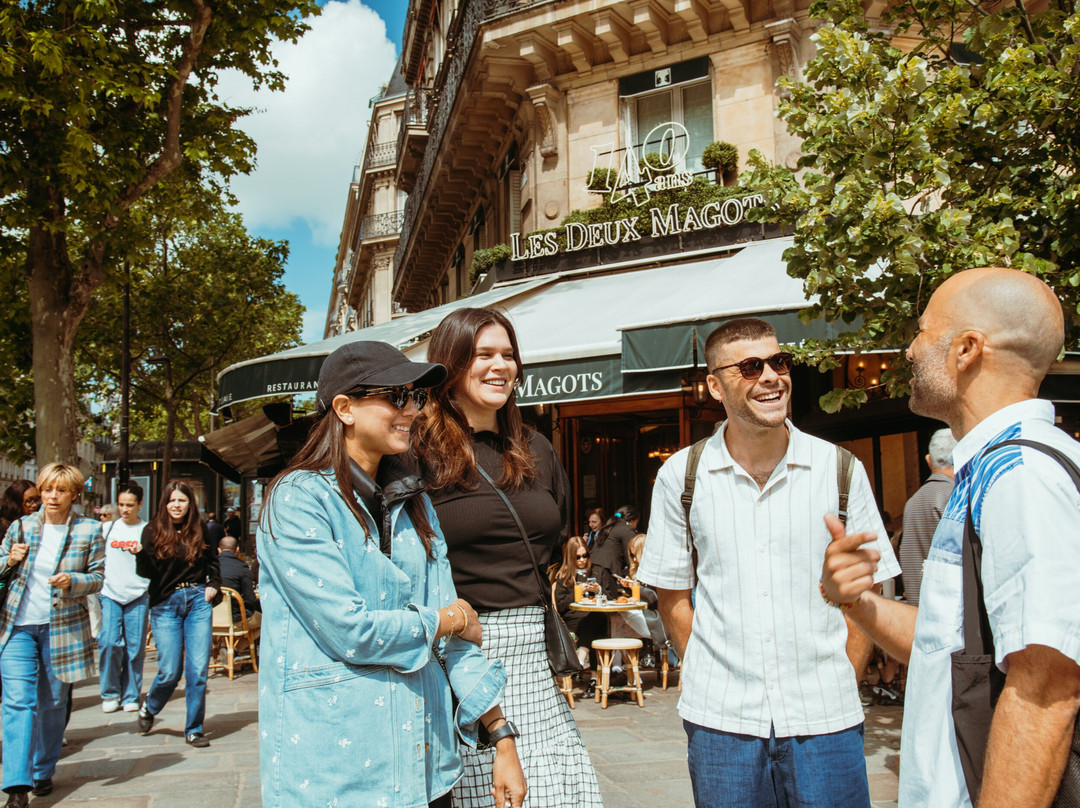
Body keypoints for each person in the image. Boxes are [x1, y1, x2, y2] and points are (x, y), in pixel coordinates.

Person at [822, 267, 1080, 808]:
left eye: (921, 331)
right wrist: (859, 602)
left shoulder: (1021, 478)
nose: (911, 350)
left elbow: (1046, 688)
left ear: (966, 349)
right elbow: (948, 645)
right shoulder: (991, 472)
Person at [637, 317, 900, 808]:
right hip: (722, 724)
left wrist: (846, 671)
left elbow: (871, 586)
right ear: (715, 385)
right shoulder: (682, 475)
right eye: (751, 367)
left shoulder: (839, 468)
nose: (772, 377)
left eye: (778, 362)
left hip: (826, 718)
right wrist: (707, 671)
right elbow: (672, 592)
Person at [257, 341, 525, 808]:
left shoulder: (415, 501)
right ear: (344, 408)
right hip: (337, 772)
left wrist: (501, 735)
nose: (412, 411)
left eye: (416, 397)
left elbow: (455, 641)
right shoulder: (297, 500)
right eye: (395, 397)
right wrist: (446, 619)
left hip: (426, 765)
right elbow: (351, 630)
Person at [411, 307, 603, 808]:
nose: (501, 366)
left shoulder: (534, 445)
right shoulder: (416, 452)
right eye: (483, 355)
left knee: (557, 793)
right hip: (460, 652)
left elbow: (554, 534)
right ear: (449, 365)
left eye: (508, 355)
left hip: (534, 653)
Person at [0, 463, 104, 806]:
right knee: (17, 702)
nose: (52, 497)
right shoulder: (21, 527)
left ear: (74, 494)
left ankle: (43, 769)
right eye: (47, 490)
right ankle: (17, 785)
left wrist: (73, 582)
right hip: (17, 626)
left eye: (60, 490)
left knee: (53, 702)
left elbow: (99, 578)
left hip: (63, 629)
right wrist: (8, 559)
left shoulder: (89, 531)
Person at [135, 480, 220, 748]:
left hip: (197, 601)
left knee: (198, 671)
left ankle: (194, 729)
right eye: (172, 500)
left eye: (181, 500)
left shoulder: (201, 529)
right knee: (170, 671)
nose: (176, 505)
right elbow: (147, 573)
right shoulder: (152, 531)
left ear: (189, 503)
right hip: (165, 603)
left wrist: (213, 586)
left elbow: (213, 562)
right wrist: (140, 555)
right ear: (165, 503)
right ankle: (150, 706)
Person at [98, 483, 149, 714]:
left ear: (140, 504)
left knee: (135, 646)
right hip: (111, 593)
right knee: (109, 641)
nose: (125, 509)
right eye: (121, 505)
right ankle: (109, 692)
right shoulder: (107, 529)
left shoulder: (148, 531)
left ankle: (131, 694)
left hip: (138, 592)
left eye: (130, 505)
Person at [898, 427, 956, 606]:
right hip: (951, 610)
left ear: (928, 460)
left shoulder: (913, 502)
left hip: (918, 610)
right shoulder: (957, 497)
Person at [553, 535, 618, 670]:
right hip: (574, 618)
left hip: (595, 615)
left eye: (585, 555)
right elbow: (560, 605)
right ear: (571, 558)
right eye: (578, 557)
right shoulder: (564, 576)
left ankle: (581, 657)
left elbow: (611, 599)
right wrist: (576, 593)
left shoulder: (598, 571)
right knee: (596, 624)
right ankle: (595, 677)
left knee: (596, 618)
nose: (582, 560)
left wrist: (599, 590)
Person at [217, 536, 259, 629]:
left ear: (219, 550)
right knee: (262, 619)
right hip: (235, 618)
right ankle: (246, 643)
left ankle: (229, 643)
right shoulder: (241, 567)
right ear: (237, 550)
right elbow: (250, 599)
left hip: (212, 618)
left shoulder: (210, 567)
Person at [590, 505, 639, 579]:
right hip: (608, 572)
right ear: (632, 521)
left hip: (593, 568)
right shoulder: (627, 530)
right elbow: (630, 558)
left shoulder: (607, 527)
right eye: (636, 524)